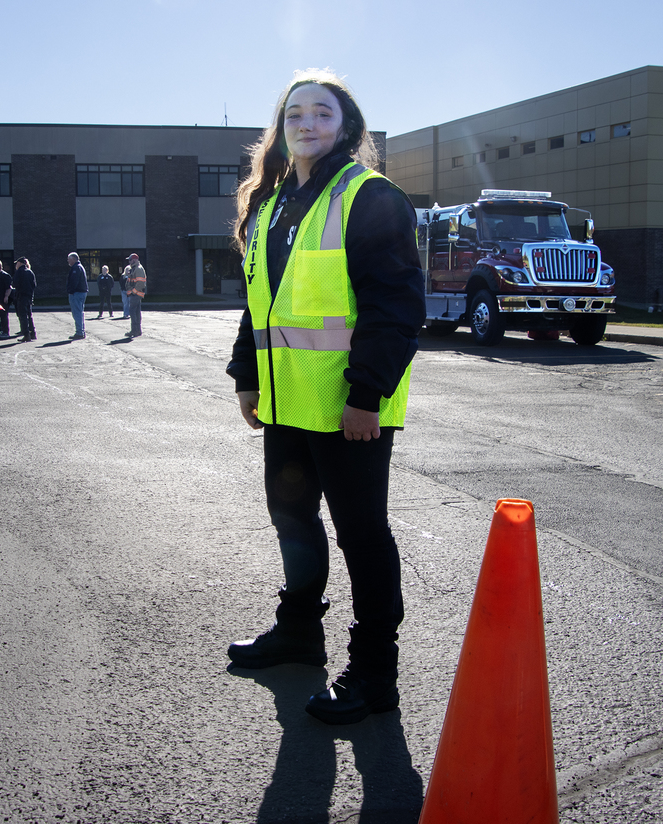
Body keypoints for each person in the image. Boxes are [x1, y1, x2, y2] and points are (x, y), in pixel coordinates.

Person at [224, 69, 425, 726]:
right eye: (295, 115)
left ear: (347, 127)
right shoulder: (272, 204)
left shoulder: (369, 196)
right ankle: (299, 632)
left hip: (349, 410)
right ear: (281, 130)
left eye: (322, 113)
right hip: (285, 407)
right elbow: (261, 305)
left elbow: (395, 306)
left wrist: (366, 394)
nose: (307, 124)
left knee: (362, 535)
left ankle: (375, 672)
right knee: (293, 521)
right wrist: (246, 376)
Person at [13, 257, 38, 341]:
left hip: (21, 296)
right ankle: (33, 333)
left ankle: (26, 334)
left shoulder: (19, 272)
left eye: (17, 263)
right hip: (29, 296)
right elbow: (34, 285)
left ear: (20, 263)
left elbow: (15, 283)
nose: (16, 265)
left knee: (22, 316)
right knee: (29, 316)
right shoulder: (30, 272)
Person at [66, 252, 88, 339]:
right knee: (79, 312)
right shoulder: (79, 267)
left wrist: (70, 291)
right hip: (80, 292)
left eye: (69, 259)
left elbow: (74, 282)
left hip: (77, 293)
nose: (68, 261)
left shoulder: (76, 268)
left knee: (77, 313)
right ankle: (81, 331)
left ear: (74, 259)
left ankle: (79, 332)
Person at [123, 253, 146, 337]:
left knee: (133, 312)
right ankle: (137, 330)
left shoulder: (138, 269)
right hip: (135, 294)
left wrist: (133, 292)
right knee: (136, 312)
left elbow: (140, 283)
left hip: (136, 294)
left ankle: (134, 330)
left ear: (134, 260)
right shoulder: (134, 269)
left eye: (130, 260)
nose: (129, 262)